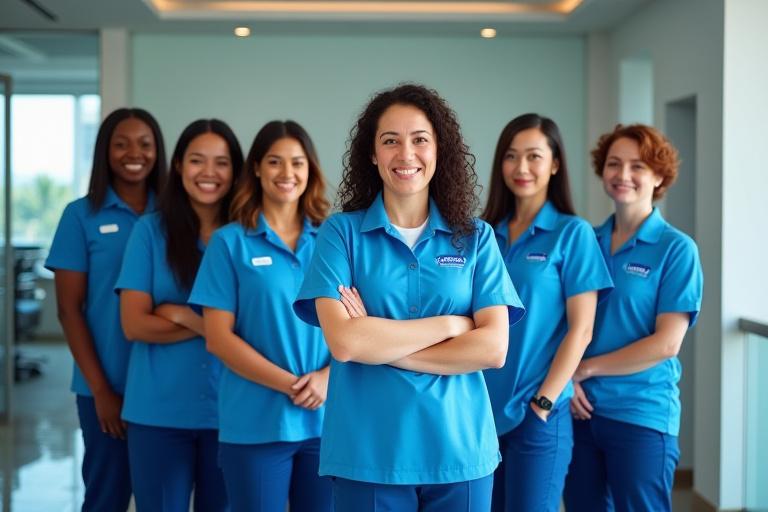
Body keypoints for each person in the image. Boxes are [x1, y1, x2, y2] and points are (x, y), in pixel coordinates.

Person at [293, 83, 525, 512]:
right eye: (390, 141)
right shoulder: (340, 235)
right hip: (369, 455)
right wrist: (454, 326)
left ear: (439, 150)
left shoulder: (475, 239)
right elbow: (345, 343)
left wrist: (379, 345)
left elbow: (493, 349)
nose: (406, 154)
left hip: (460, 452)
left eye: (420, 140)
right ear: (372, 154)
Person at [189, 121, 332, 512]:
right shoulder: (229, 243)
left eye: (297, 163)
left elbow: (360, 325)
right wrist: (292, 385)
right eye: (275, 162)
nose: (287, 174)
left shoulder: (334, 241)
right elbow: (219, 337)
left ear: (310, 170)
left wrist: (326, 377)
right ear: (256, 168)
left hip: (327, 423)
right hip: (255, 425)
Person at [563, 124, 703, 512]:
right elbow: (567, 325)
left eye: (638, 166)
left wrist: (583, 370)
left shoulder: (676, 249)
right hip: (580, 412)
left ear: (659, 176)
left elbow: (667, 343)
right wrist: (567, 381)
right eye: (614, 164)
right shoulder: (585, 241)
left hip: (642, 414)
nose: (623, 175)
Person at [481, 113, 613, 512]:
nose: (521, 168)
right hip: (480, 412)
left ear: (555, 164)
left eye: (534, 156)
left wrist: (543, 403)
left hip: (537, 414)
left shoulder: (573, 234)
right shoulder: (484, 234)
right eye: (511, 156)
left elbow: (582, 329)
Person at [115, 119, 243, 511]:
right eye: (197, 161)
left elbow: (255, 327)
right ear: (178, 167)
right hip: (158, 414)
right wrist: (216, 329)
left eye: (221, 162)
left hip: (233, 413)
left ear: (236, 171)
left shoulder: (247, 236)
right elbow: (134, 323)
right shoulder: (149, 232)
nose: (209, 173)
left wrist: (182, 317)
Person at [46, 107, 166, 512]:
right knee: (106, 496)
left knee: (163, 498)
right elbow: (69, 309)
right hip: (107, 382)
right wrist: (100, 390)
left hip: (167, 384)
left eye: (145, 144)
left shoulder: (174, 214)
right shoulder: (80, 216)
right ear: (105, 152)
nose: (135, 153)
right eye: (121, 143)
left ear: (158, 151)